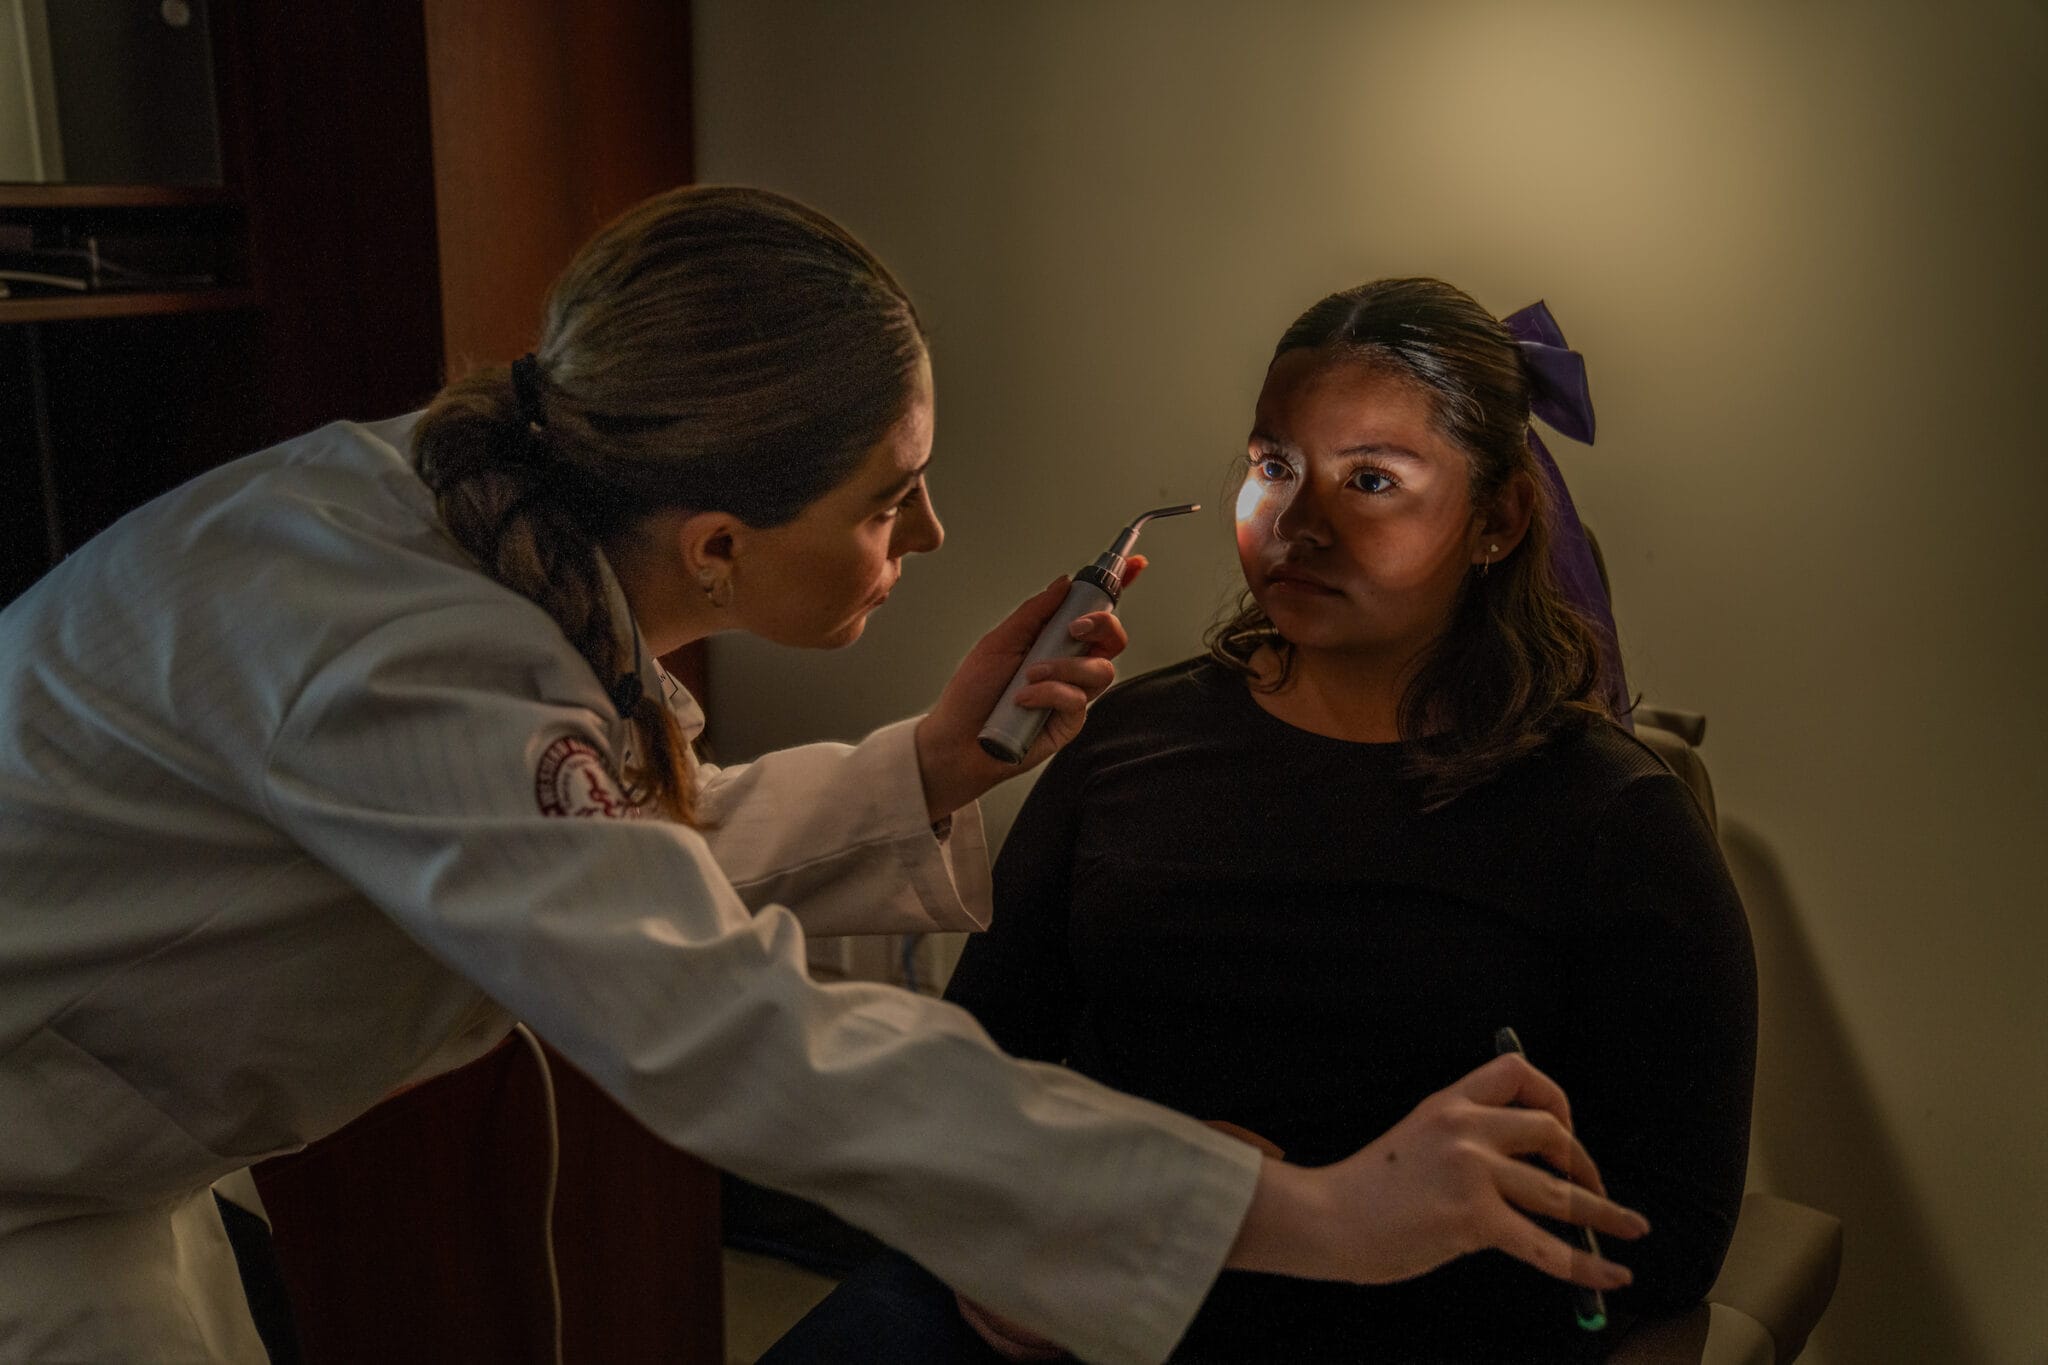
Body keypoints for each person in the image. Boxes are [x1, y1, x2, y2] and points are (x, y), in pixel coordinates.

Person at [0, 196, 1646, 1365]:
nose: (924, 538)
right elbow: (736, 1033)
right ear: (717, 543)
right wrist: (1304, 1216)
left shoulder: (489, 508)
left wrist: (928, 762)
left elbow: (601, 839)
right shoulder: (391, 650)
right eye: (891, 500)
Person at [772, 277, 1756, 1363]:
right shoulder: (1124, 746)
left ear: (1498, 519)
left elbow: (1665, 1233)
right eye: (1272, 466)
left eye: (1371, 480)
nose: (1297, 524)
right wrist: (1021, 1243)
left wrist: (1257, 1230)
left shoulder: (1611, 821)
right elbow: (982, 1066)